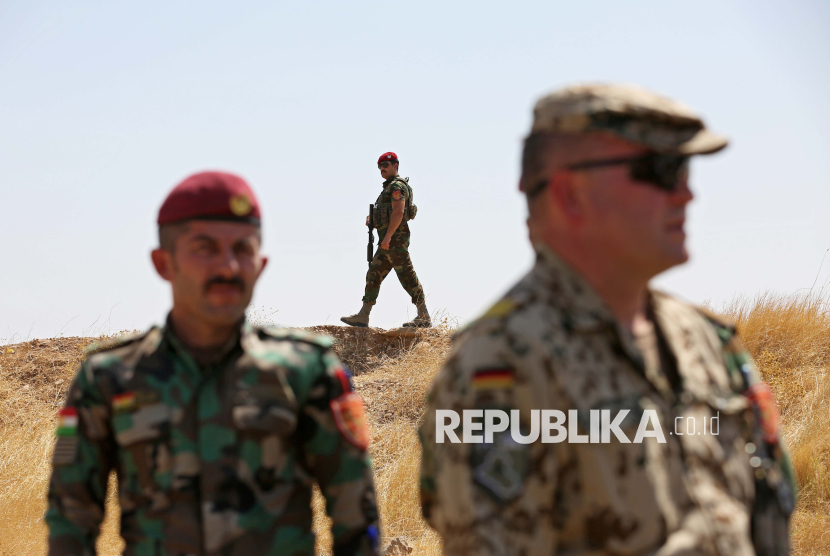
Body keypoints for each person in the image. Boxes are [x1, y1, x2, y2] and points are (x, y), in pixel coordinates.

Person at [419, 84, 796, 555]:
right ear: (570, 194)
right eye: (660, 171)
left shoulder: (707, 341)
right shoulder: (504, 363)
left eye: (684, 170)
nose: (687, 194)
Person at [46, 171, 379, 556]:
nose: (228, 267)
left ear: (261, 263)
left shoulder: (307, 372)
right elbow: (71, 519)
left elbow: (357, 517)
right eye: (205, 248)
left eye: (242, 249)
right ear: (163, 263)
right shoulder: (109, 377)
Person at [341, 152, 430, 328]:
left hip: (394, 240)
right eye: (380, 166)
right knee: (374, 273)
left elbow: (398, 212)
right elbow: (388, 211)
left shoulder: (397, 186)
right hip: (387, 241)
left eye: (386, 165)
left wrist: (388, 236)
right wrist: (373, 218)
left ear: (395, 166)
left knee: (406, 275)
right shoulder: (388, 188)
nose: (382, 168)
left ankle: (424, 316)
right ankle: (363, 315)